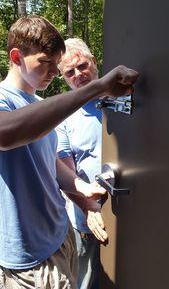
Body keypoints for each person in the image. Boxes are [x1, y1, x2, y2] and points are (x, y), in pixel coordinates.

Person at [0, 15, 139, 289]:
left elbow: (48, 162)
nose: (53, 72)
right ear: (17, 57)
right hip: (28, 255)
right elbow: (5, 135)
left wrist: (80, 187)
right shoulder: (4, 99)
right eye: (46, 63)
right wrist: (97, 88)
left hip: (59, 237)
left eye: (56, 63)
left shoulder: (39, 102)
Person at [57, 38, 102, 289]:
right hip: (86, 219)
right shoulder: (63, 116)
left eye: (82, 66)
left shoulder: (121, 100)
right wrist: (89, 208)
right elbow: (65, 172)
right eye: (70, 72)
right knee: (86, 280)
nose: (78, 75)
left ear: (93, 62)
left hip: (133, 211)